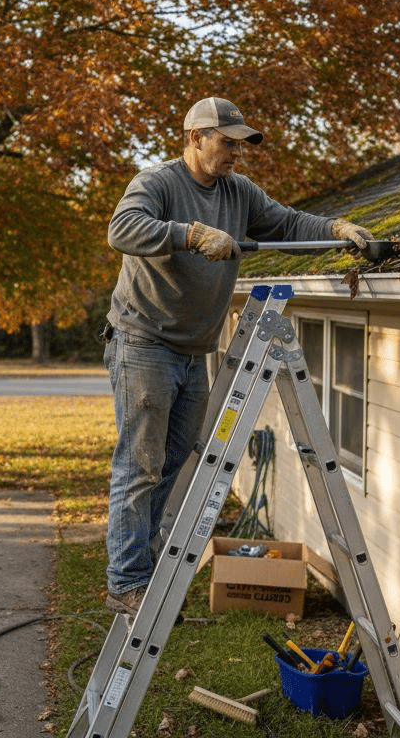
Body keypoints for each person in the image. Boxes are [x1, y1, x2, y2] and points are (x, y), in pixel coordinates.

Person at [101, 96, 372, 618]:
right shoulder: (157, 184)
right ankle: (127, 580)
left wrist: (336, 230)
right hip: (143, 342)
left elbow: (287, 224)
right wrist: (190, 234)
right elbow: (122, 230)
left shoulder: (239, 193)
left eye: (241, 146)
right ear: (196, 137)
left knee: (171, 463)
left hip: (192, 349)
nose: (236, 155)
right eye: (227, 143)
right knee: (139, 465)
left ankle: (144, 567)